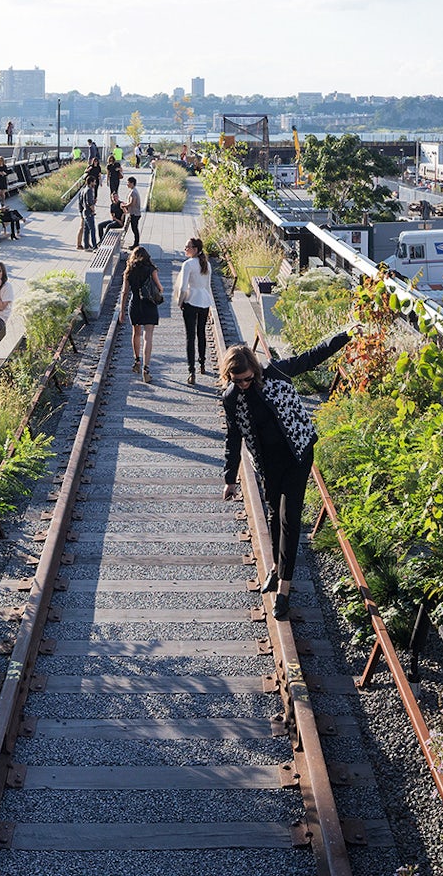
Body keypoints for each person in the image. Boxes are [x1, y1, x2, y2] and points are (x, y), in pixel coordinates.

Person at [219, 334, 352, 619]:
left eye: (246, 379)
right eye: (236, 380)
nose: (243, 385)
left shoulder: (275, 371)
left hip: (297, 455)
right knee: (273, 517)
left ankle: (284, 591)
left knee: (290, 518)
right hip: (268, 463)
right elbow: (233, 438)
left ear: (254, 369)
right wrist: (230, 477)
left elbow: (311, 357)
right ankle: (276, 569)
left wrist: (345, 335)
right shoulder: (231, 398)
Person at [117, 245, 163, 384]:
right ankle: (146, 369)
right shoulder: (151, 269)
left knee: (136, 333)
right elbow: (160, 288)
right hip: (149, 305)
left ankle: (137, 361)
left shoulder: (129, 271)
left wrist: (122, 311)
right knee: (147, 337)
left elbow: (125, 292)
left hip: (135, 304)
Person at [176, 237, 214, 385]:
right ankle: (202, 364)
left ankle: (191, 370)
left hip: (191, 301)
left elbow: (183, 288)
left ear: (195, 249)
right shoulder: (207, 265)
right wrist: (211, 305)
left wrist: (180, 302)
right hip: (204, 301)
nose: (185, 249)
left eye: (188, 247)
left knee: (190, 337)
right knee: (201, 333)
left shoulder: (188, 265)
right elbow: (208, 287)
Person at [77, 175, 100, 250]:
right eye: (94, 182)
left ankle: (86, 246)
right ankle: (94, 246)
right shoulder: (89, 190)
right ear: (91, 182)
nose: (95, 184)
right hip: (89, 213)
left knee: (86, 230)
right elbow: (89, 203)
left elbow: (84, 201)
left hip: (85, 212)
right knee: (92, 230)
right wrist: (93, 210)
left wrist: (93, 201)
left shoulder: (84, 189)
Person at [123, 175, 143, 248]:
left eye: (128, 182)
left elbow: (132, 203)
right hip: (134, 213)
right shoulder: (133, 191)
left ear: (132, 183)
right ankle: (136, 243)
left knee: (134, 229)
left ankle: (136, 244)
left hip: (135, 214)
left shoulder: (133, 192)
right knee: (134, 228)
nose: (127, 184)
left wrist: (124, 206)